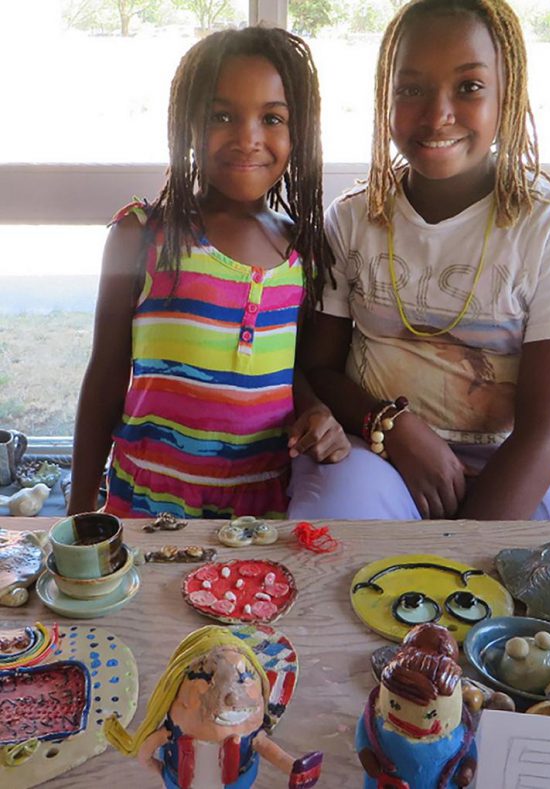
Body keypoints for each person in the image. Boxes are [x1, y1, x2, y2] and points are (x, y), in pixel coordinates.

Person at [289, 0, 550, 522]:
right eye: (412, 89)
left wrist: (459, 559)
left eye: (469, 87)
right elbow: (318, 369)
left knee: (542, 576)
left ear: (505, 96)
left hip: (517, 456)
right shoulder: (352, 219)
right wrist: (394, 427)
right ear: (385, 98)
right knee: (340, 530)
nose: (438, 113)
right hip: (376, 446)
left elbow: (545, 432)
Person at [68, 27, 349, 519]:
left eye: (272, 118)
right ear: (187, 125)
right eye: (222, 116)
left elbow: (288, 372)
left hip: (260, 514)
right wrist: (78, 508)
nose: (248, 138)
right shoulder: (142, 236)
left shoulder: (302, 250)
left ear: (297, 131)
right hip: (145, 507)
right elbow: (106, 376)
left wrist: (314, 410)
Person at [104, 626, 322, 788]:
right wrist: (161, 772)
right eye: (206, 678)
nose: (231, 699)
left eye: (244, 677)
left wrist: (295, 768)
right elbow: (145, 754)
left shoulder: (251, 735)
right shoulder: (171, 732)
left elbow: (274, 754)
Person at [356, 622, 477, 787]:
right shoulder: (376, 722)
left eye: (430, 715)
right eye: (395, 705)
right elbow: (364, 733)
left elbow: (469, 751)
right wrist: (366, 756)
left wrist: (467, 770)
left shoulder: (459, 734)